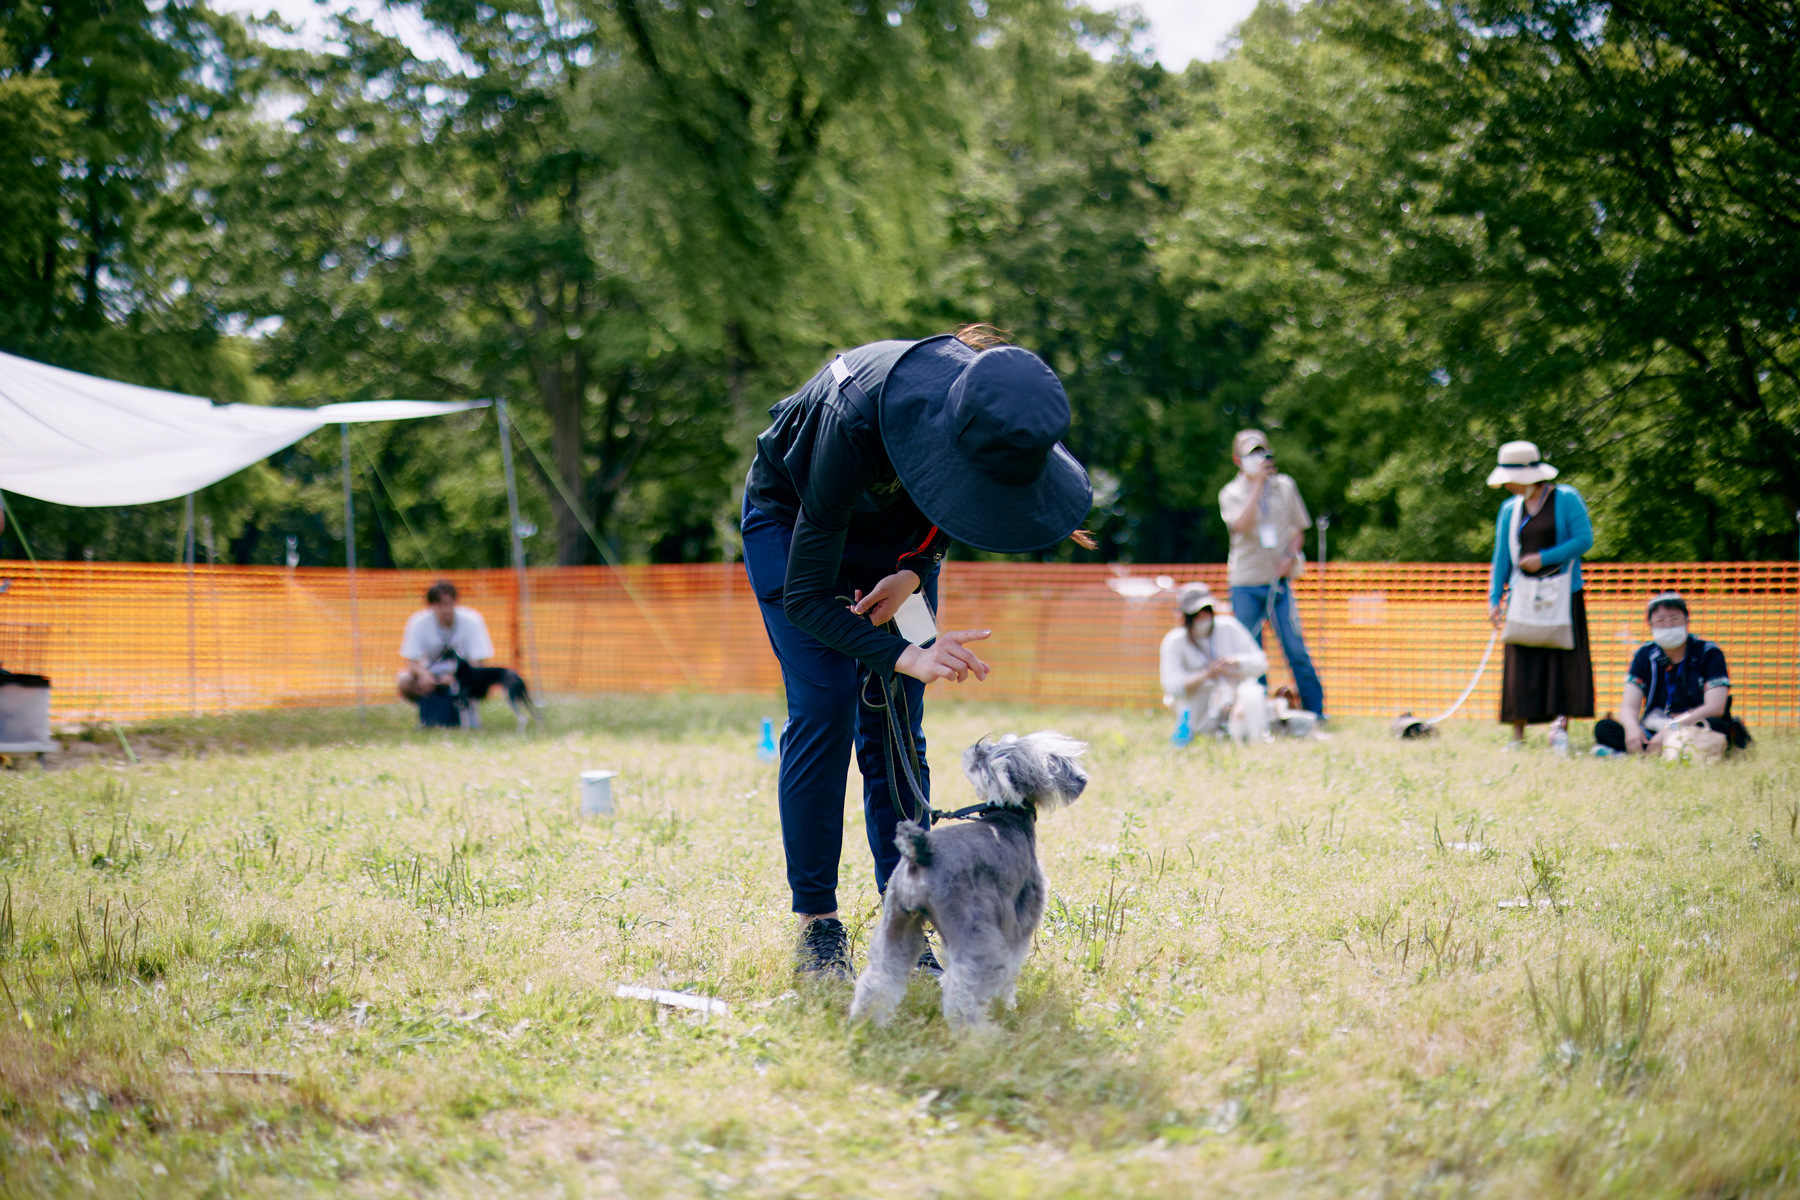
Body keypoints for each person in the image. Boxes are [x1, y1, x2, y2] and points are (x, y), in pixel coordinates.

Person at [741, 325, 1092, 979]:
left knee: (899, 719)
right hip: (796, 527)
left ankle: (905, 914)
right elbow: (809, 600)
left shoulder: (986, 424)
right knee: (828, 702)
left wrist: (913, 570)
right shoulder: (853, 422)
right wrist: (902, 653)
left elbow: (953, 504)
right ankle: (818, 925)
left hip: (895, 551)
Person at [1486, 440, 1595, 747]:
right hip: (1523, 597)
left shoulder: (1566, 498)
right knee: (1520, 662)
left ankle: (1559, 728)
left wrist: (1544, 558)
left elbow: (1584, 539)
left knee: (1563, 661)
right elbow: (1501, 558)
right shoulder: (1509, 509)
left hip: (1563, 593)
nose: (1505, 484)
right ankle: (1517, 734)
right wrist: (1495, 598)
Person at [1218, 430, 1324, 719]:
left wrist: (1290, 557)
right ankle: (1259, 713)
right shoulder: (1230, 492)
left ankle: (1316, 712)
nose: (1257, 458)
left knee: (1295, 648)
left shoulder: (1285, 487)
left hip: (1279, 583)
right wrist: (1257, 486)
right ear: (1237, 459)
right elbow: (1241, 524)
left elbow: (1299, 530)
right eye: (1250, 453)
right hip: (1245, 583)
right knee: (1252, 654)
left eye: (1261, 451)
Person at [1594, 592, 1751, 755]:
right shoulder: (1644, 655)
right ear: (1650, 625)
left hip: (1692, 724)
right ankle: (1652, 748)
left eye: (1674, 619)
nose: (1668, 626)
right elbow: (1628, 706)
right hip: (1655, 726)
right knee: (1604, 728)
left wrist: (1671, 729)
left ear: (1686, 620)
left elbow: (1715, 707)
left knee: (1714, 726)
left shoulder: (1709, 652)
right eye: (1660, 620)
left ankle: (1644, 751)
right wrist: (1632, 729)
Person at [396, 580, 540, 726]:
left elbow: (478, 661)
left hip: (464, 676)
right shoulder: (418, 622)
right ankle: (432, 711)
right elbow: (411, 663)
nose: (446, 610)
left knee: (475, 679)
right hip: (432, 675)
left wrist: (454, 677)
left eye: (449, 604)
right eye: (440, 605)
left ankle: (466, 713)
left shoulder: (472, 620)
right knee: (404, 681)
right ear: (431, 606)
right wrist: (424, 675)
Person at [1159, 582, 1267, 739]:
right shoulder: (1174, 641)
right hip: (1197, 707)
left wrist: (1237, 663)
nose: (1203, 617)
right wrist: (1205, 676)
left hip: (1235, 697)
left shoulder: (1229, 627)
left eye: (1206, 611)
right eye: (1197, 613)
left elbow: (1261, 663)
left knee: (1252, 694)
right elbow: (1171, 685)